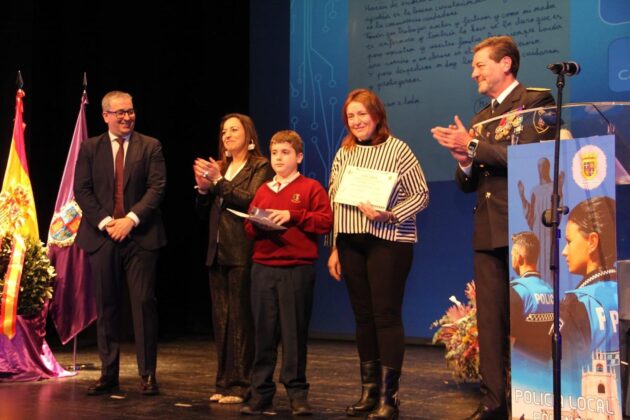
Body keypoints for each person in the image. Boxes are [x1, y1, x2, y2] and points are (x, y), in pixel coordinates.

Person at [431, 35, 555, 419]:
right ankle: (493, 402)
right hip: (487, 229)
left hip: (525, 228)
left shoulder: (537, 103)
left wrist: (471, 146)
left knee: (529, 318)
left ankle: (534, 401)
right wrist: (463, 158)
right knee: (490, 321)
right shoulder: (480, 119)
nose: (474, 74)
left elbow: (529, 157)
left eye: (480, 65)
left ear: (505, 64)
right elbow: (468, 183)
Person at [327, 88, 429, 420]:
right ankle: (369, 394)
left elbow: (421, 195)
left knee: (385, 315)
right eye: (350, 116)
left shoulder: (398, 149)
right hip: (349, 242)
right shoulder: (344, 153)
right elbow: (333, 199)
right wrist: (334, 246)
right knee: (363, 317)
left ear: (377, 115)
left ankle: (389, 399)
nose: (356, 121)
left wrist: (391, 214)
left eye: (362, 114)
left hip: (388, 241)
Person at [74, 90, 167, 396]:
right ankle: (108, 374)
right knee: (107, 306)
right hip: (103, 237)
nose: (127, 117)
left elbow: (157, 188)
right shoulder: (90, 148)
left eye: (130, 111)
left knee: (143, 304)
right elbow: (82, 190)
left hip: (141, 237)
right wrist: (106, 222)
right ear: (106, 116)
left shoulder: (150, 146)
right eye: (120, 112)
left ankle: (148, 374)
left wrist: (130, 219)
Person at [240, 130, 333, 416]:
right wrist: (256, 223)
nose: (279, 158)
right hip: (263, 268)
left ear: (299, 157)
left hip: (295, 269)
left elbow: (325, 221)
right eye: (274, 153)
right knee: (263, 334)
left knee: (293, 333)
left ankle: (297, 393)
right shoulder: (264, 190)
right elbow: (249, 227)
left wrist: (293, 216)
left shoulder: (310, 188)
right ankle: (261, 392)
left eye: (285, 153)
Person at [193, 113, 274, 404]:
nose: (227, 135)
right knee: (221, 320)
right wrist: (203, 190)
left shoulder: (260, 166)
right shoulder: (222, 167)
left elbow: (252, 200)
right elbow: (204, 212)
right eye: (224, 131)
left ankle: (241, 385)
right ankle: (224, 382)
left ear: (248, 135)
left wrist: (217, 182)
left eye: (234, 130)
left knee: (241, 319)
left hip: (242, 250)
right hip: (217, 252)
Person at [559, 196, 618, 393]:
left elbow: (563, 372)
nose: (564, 251)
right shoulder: (622, 290)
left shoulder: (576, 303)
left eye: (569, 241)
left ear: (592, 241)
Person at [517, 157, 565, 283]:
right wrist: (522, 195)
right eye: (539, 166)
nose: (541, 169)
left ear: (548, 167)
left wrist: (560, 187)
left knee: (550, 261)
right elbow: (531, 215)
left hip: (549, 231)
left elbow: (559, 207)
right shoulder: (534, 190)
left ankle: (551, 290)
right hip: (538, 232)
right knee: (538, 262)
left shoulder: (553, 187)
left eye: (544, 165)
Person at [509, 231, 553, 362]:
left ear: (519, 258)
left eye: (512, 255)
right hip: (547, 367)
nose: (511, 259)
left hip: (522, 370)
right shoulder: (551, 291)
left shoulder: (516, 291)